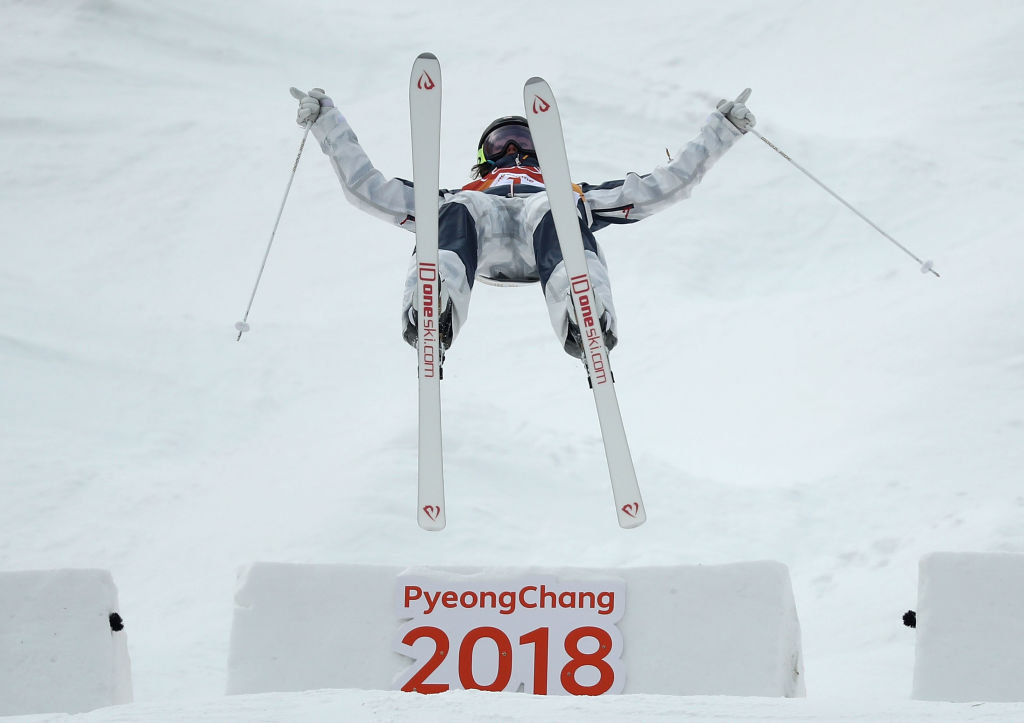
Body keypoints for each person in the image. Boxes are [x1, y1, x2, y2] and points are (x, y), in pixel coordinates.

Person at [290, 85, 755, 359]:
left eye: (523, 140)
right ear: (483, 157)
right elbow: (367, 189)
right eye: (500, 143)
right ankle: (436, 303)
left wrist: (722, 131)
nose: (513, 150)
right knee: (457, 210)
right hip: (479, 236)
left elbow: (661, 185)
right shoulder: (461, 194)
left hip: (544, 236)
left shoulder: (570, 192)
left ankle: (583, 309)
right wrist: (327, 124)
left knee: (558, 209)